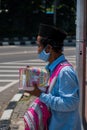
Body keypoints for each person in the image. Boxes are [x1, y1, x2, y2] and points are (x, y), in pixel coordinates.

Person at [29, 23, 81, 130]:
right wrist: (33, 77)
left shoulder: (65, 72)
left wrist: (40, 94)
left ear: (48, 48)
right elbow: (48, 91)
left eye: (38, 46)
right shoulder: (50, 68)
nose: (37, 50)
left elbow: (70, 103)